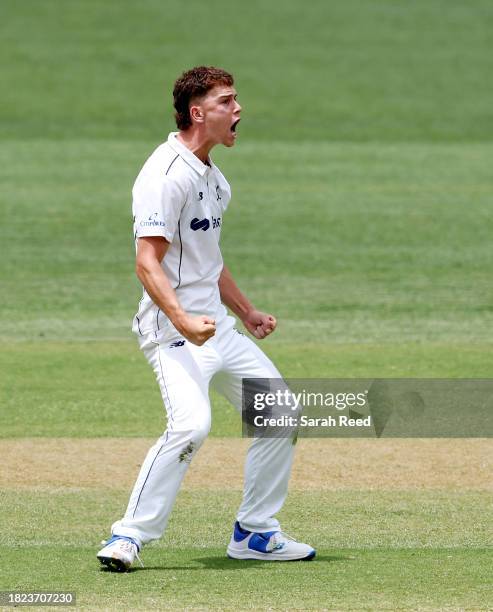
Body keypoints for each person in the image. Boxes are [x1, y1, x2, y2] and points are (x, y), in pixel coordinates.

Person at [97, 66, 315, 571]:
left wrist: (247, 311)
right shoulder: (164, 175)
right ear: (198, 113)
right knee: (192, 427)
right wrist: (181, 321)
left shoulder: (214, 179)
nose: (238, 110)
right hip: (174, 332)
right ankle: (129, 536)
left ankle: (256, 533)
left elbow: (207, 260)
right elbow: (146, 261)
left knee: (280, 413)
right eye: (227, 102)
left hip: (218, 326)